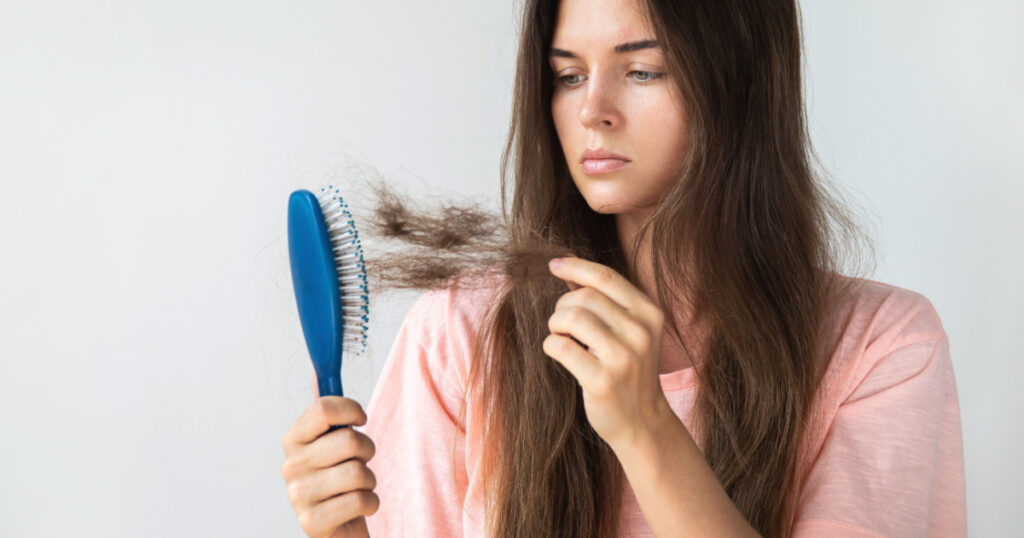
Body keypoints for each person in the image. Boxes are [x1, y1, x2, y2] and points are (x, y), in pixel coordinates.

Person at [281, 0, 968, 536]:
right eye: (568, 75)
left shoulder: (881, 347)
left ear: (739, 82)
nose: (591, 111)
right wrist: (344, 535)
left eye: (642, 70)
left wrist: (645, 429)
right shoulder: (460, 334)